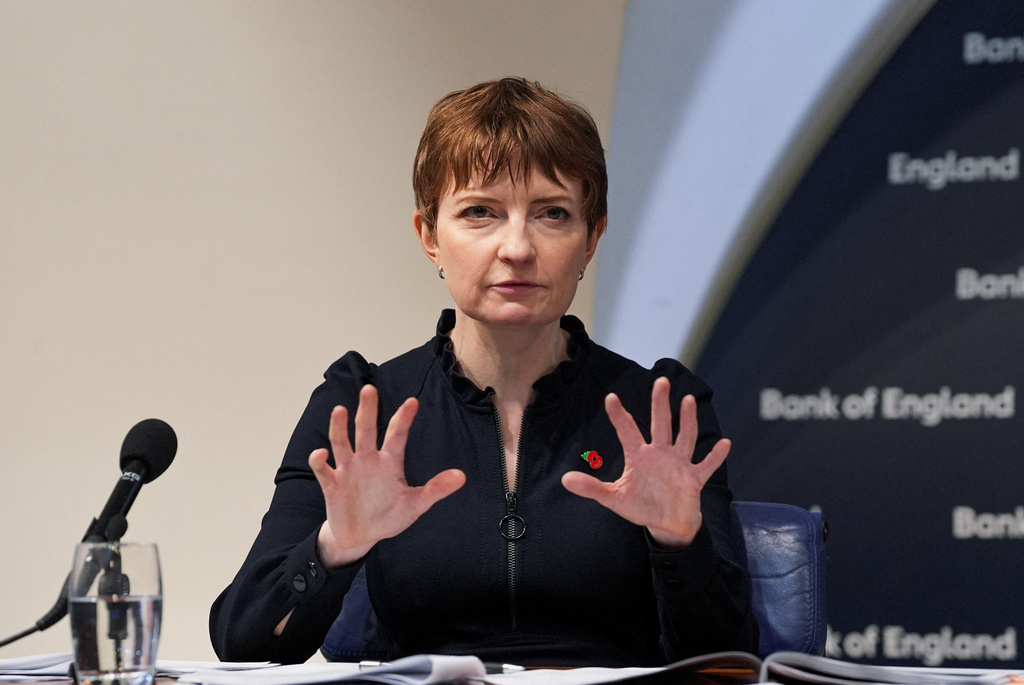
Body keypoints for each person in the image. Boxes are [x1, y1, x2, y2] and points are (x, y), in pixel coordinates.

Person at [209, 77, 758, 668]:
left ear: (591, 237)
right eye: (480, 212)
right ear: (429, 237)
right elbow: (246, 641)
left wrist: (680, 543)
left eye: (552, 213)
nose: (517, 247)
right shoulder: (365, 406)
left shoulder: (661, 410)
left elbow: (728, 663)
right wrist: (335, 547)